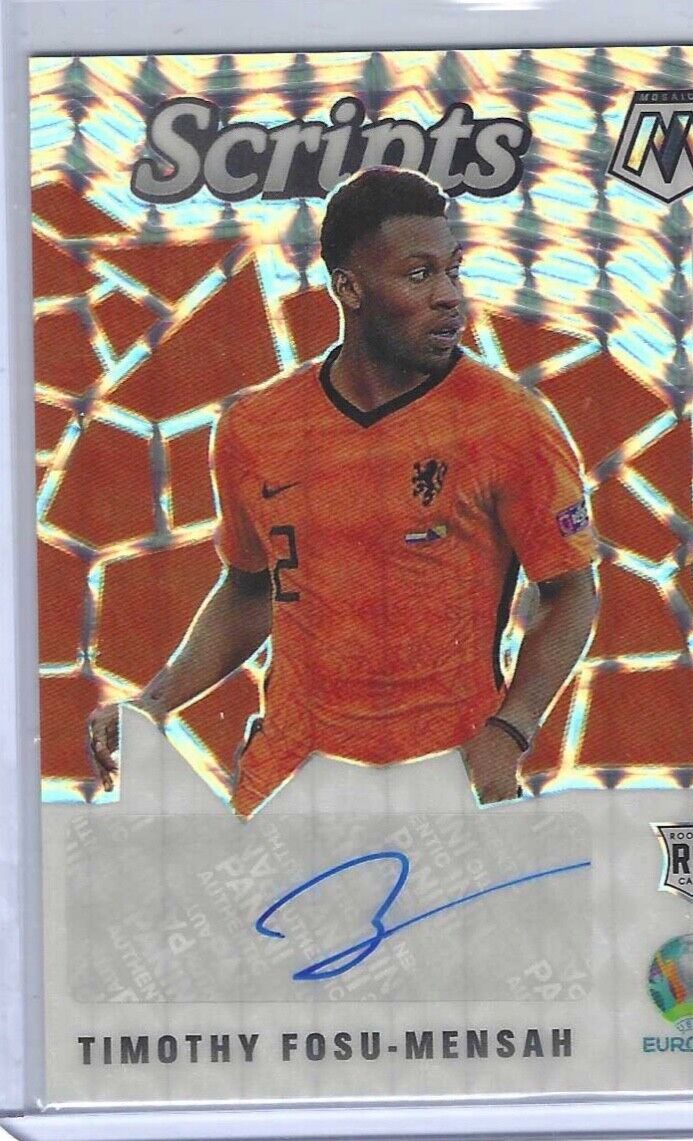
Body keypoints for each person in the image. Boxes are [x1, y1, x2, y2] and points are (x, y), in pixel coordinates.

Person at [88, 166, 598, 815]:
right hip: (285, 785)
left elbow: (569, 591)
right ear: (349, 288)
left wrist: (509, 731)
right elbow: (251, 588)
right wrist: (153, 703)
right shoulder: (255, 425)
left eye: (453, 270)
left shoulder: (509, 421)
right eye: (419, 275)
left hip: (446, 784)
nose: (449, 296)